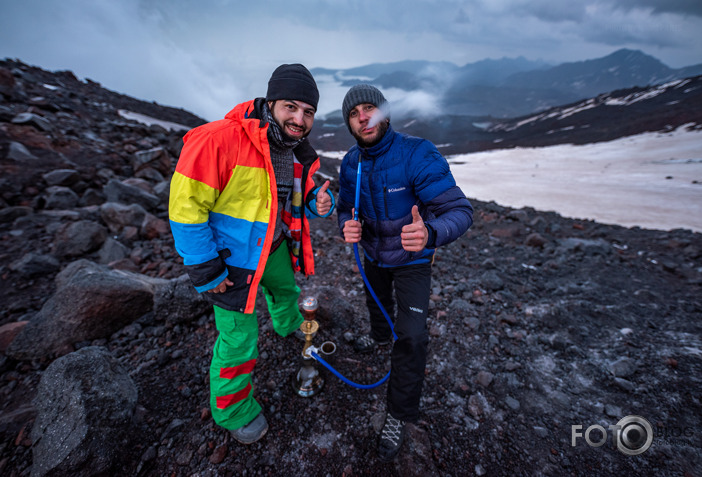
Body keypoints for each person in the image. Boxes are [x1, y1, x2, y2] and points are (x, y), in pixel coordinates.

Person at [169, 64, 334, 445]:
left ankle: (288, 323)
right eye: (291, 107)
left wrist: (318, 202)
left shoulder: (294, 150)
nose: (299, 118)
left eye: (308, 112)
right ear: (271, 102)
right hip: (231, 263)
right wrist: (206, 269)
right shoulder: (217, 139)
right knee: (239, 340)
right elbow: (185, 209)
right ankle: (233, 411)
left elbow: (298, 198)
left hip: (273, 247)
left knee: (285, 292)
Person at [337, 84, 474, 461]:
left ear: (385, 114)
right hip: (373, 256)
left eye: (370, 109)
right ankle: (380, 338)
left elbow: (461, 212)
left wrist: (430, 233)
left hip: (413, 261)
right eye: (354, 113)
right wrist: (345, 226)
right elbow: (345, 209)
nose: (363, 117)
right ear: (349, 122)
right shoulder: (351, 163)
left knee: (412, 337)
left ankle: (398, 413)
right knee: (376, 303)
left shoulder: (417, 153)